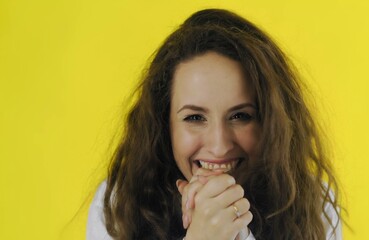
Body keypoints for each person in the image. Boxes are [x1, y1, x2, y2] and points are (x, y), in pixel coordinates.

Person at [87, 8, 342, 240]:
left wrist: (237, 229)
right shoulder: (116, 206)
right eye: (195, 118)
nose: (219, 147)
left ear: (270, 122)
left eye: (240, 116)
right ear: (165, 126)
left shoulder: (314, 203)